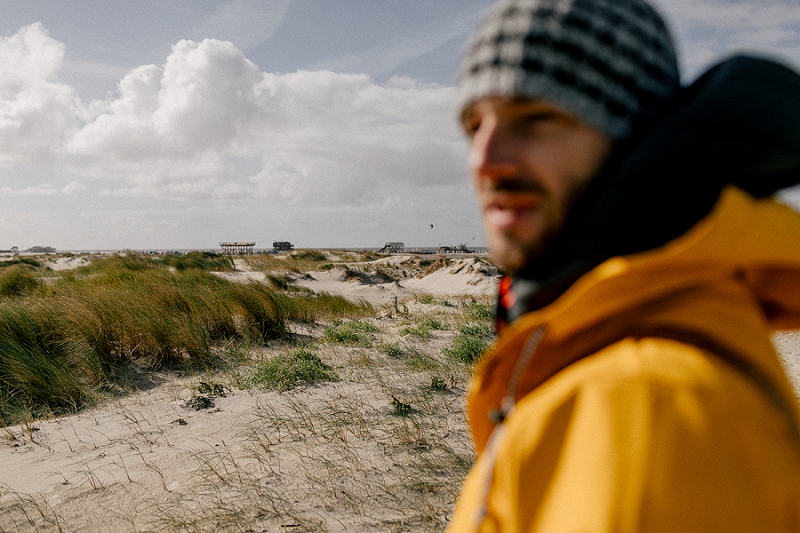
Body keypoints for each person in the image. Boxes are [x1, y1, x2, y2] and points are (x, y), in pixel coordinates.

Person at [447, 0, 800, 531]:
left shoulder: (643, 404)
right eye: (474, 125)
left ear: (634, 138)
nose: (484, 158)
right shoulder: (605, 344)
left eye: (537, 118)